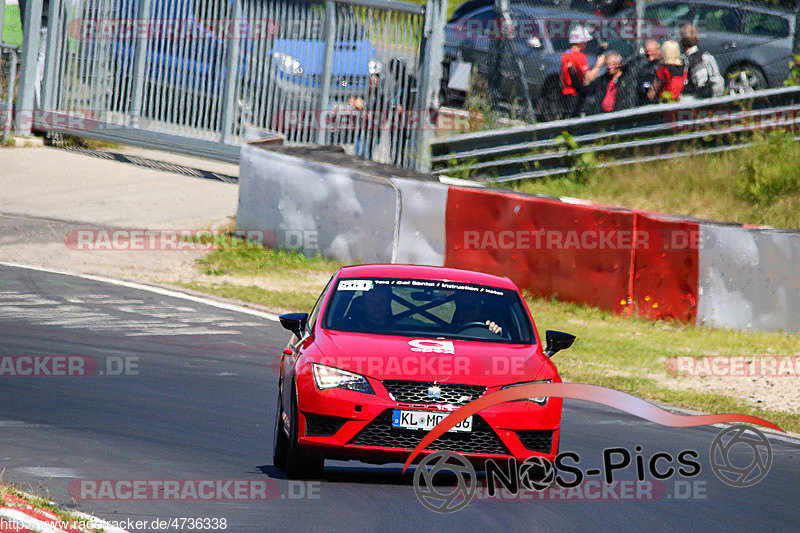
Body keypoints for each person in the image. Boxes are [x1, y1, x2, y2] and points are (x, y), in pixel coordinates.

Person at [560, 25, 605, 118]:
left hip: (566, 94)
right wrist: (598, 65)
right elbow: (589, 77)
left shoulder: (566, 54)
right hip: (575, 95)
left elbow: (561, 78)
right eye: (585, 41)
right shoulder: (579, 56)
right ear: (580, 41)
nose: (586, 43)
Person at [679, 24, 724, 99]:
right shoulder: (707, 57)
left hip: (688, 99)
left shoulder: (680, 60)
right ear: (698, 39)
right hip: (707, 100)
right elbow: (717, 82)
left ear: (681, 40)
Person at [631, 39, 662, 105]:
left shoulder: (663, 64)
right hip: (642, 100)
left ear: (659, 50)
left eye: (652, 51)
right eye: (647, 51)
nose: (649, 53)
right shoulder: (642, 65)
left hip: (658, 101)